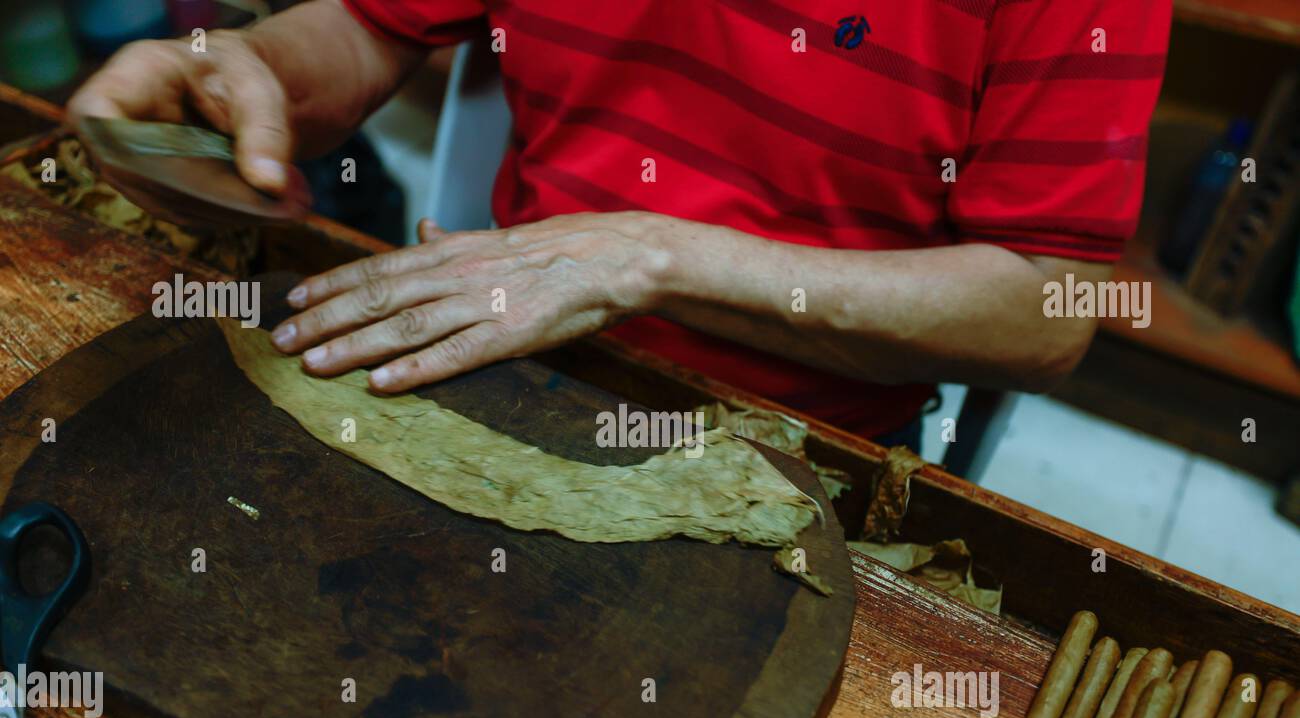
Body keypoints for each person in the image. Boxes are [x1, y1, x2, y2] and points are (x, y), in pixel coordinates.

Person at [68, 0, 1171, 444]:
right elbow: (368, 29)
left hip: (791, 443)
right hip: (498, 350)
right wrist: (246, 65)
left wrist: (651, 253)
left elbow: (1043, 306)